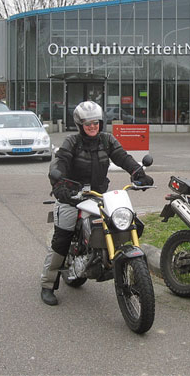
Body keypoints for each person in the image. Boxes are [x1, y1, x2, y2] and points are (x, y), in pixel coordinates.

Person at [40, 101, 154, 306]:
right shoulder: (71, 142)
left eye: (96, 122)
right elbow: (60, 163)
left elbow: (123, 157)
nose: (92, 126)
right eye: (87, 123)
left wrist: (138, 173)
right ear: (79, 124)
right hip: (72, 195)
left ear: (101, 123)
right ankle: (48, 284)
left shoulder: (107, 140)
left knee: (124, 222)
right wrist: (59, 185)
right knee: (62, 239)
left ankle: (111, 261)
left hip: (98, 195)